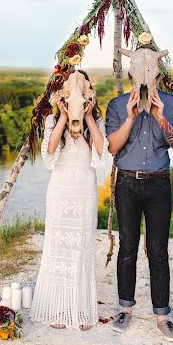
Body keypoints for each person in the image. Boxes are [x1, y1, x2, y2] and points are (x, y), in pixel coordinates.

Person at [105, 44, 173, 342]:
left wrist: (160, 116)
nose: (142, 74)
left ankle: (162, 316)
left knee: (157, 250)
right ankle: (125, 309)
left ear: (157, 70)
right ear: (130, 71)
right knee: (127, 247)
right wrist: (129, 118)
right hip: (127, 183)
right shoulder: (116, 106)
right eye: (137, 68)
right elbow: (113, 148)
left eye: (148, 68)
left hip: (158, 184)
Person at [29, 70, 109, 331]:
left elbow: (101, 151)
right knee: (58, 248)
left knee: (81, 249)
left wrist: (88, 116)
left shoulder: (96, 119)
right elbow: (49, 151)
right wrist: (63, 116)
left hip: (84, 192)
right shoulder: (53, 119)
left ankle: (81, 309)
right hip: (60, 191)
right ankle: (57, 308)